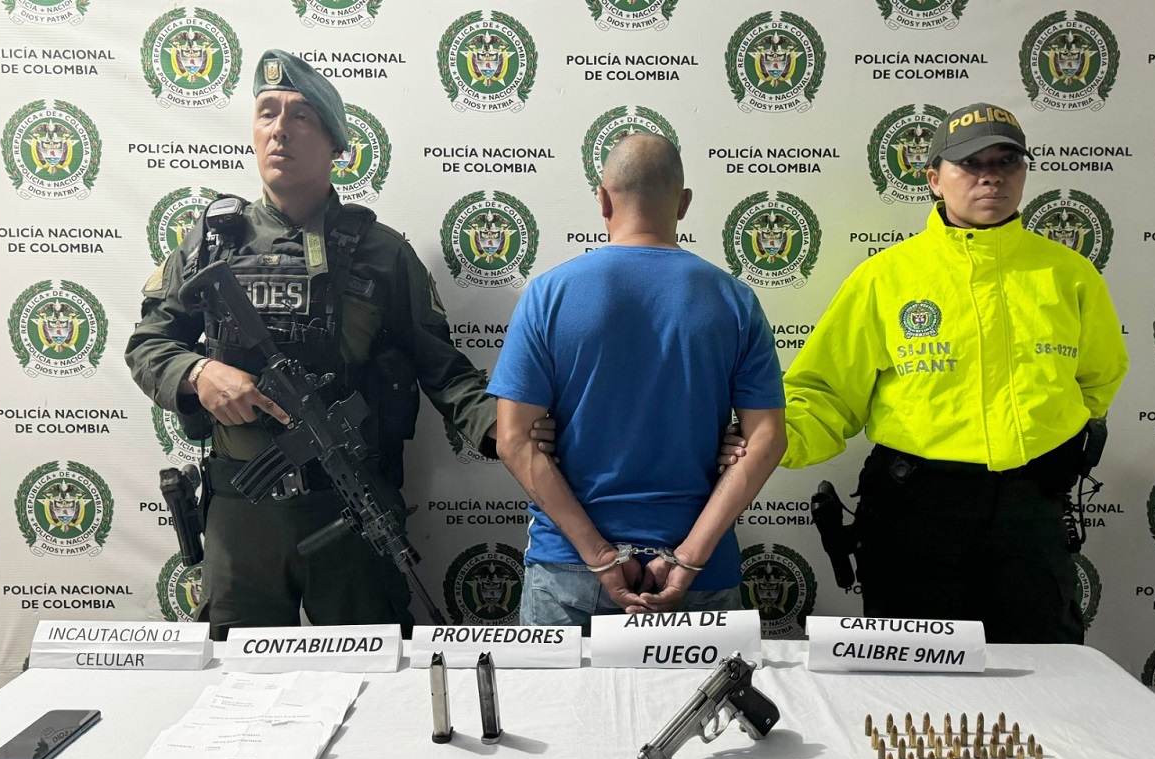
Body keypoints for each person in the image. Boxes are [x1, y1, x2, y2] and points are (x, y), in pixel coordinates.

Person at [126, 50, 503, 640]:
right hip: (242, 515)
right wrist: (199, 374)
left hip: (351, 506)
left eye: (301, 116)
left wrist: (503, 430)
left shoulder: (382, 252)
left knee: (373, 669)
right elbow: (149, 345)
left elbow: (443, 369)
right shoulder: (209, 245)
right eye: (267, 113)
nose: (279, 129)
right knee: (238, 681)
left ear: (337, 144)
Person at [722, 102, 1127, 644]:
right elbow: (825, 393)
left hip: (1029, 513)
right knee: (913, 673)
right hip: (916, 512)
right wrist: (770, 441)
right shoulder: (885, 277)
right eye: (970, 163)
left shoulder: (1069, 276)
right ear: (934, 179)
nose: (990, 176)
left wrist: (1048, 438)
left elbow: (1097, 379)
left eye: (1006, 161)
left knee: (1045, 666)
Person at [488, 134, 788, 631]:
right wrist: (687, 559)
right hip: (700, 572)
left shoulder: (548, 294)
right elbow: (767, 440)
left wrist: (600, 557)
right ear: (684, 203)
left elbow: (513, 441)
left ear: (603, 200)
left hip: (569, 569)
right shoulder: (735, 300)